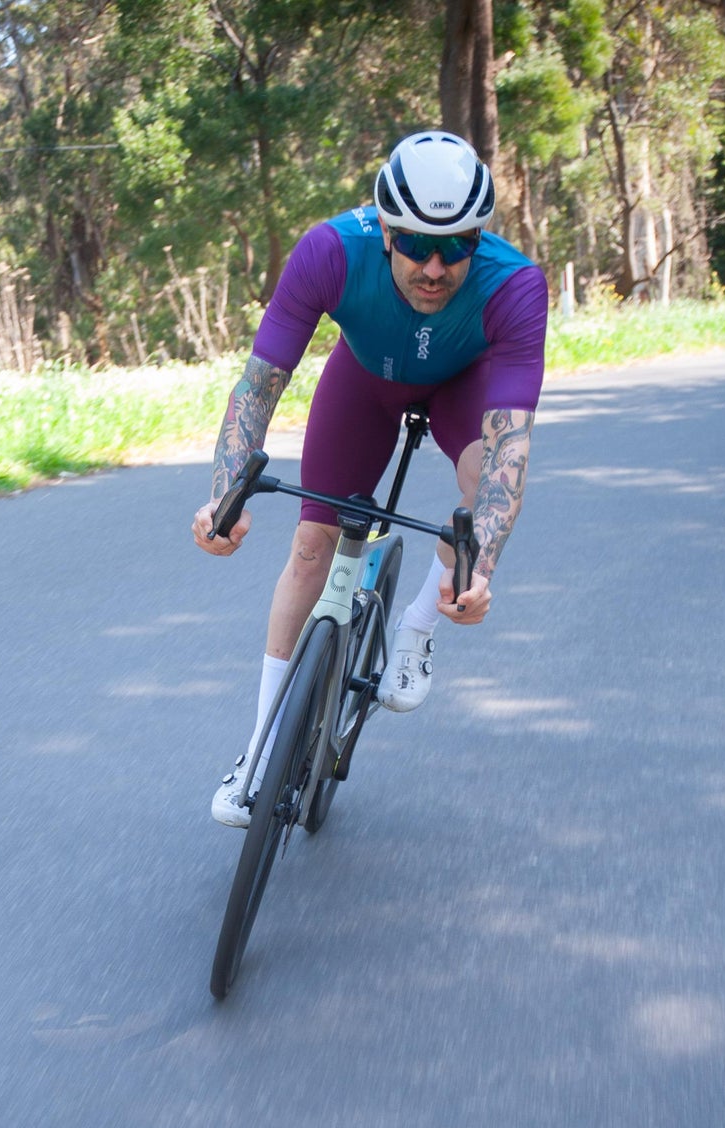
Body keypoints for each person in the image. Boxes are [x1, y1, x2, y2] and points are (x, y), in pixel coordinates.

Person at [191, 130, 548, 827]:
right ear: (385, 226)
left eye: (457, 245)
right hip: (363, 381)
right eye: (416, 243)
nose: (436, 266)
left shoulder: (513, 285)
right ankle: (259, 753)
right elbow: (259, 386)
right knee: (310, 543)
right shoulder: (330, 250)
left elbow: (509, 450)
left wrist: (480, 570)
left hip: (457, 386)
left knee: (482, 478)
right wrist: (225, 494)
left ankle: (416, 628)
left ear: (481, 235)